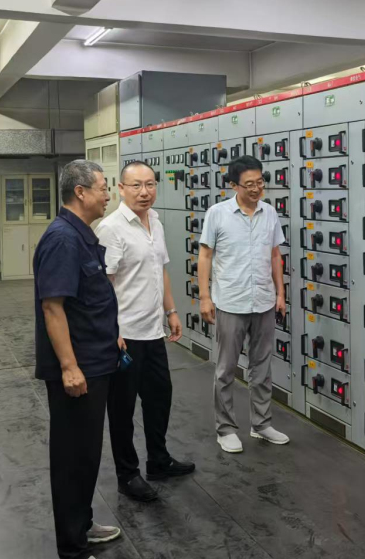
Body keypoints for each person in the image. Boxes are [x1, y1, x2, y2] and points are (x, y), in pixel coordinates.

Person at [33, 160, 123, 559]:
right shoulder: (63, 240)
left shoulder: (80, 235)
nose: (108, 195)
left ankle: (82, 524)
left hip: (96, 360)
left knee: (86, 454)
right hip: (78, 368)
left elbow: (86, 301)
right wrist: (69, 367)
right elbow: (53, 307)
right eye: (103, 188)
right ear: (81, 192)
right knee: (72, 458)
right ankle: (72, 547)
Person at [96, 161, 195, 503]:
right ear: (121, 188)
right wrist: (111, 330)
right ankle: (127, 475)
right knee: (122, 410)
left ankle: (159, 460)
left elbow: (161, 270)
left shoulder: (155, 220)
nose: (144, 192)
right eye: (136, 185)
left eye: (150, 184)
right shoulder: (110, 228)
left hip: (153, 330)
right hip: (125, 335)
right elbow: (104, 285)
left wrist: (171, 311)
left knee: (159, 397)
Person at [199, 155, 289, 453]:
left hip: (263, 301)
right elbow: (205, 256)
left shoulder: (269, 213)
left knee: (262, 368)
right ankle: (225, 428)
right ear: (233, 185)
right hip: (230, 301)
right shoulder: (217, 214)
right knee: (226, 369)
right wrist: (205, 297)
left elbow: (275, 255)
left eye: (260, 182)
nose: (256, 188)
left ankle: (261, 424)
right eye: (249, 184)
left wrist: (280, 294)